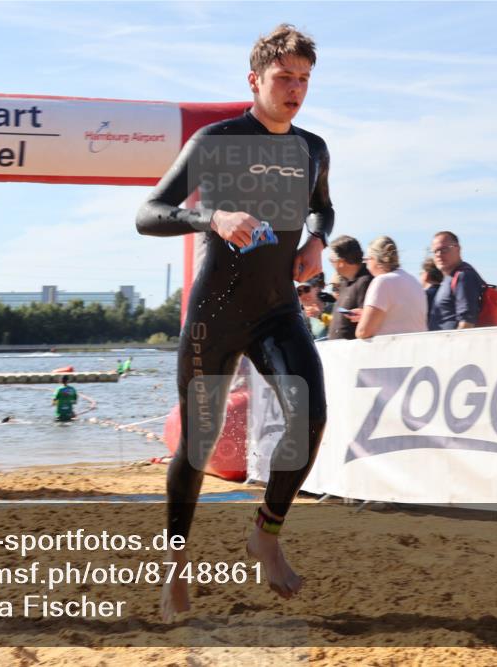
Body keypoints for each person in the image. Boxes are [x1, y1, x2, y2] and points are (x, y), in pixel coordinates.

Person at [135, 24, 332, 619]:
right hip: (215, 315)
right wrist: (211, 218)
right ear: (255, 81)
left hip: (277, 309)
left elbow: (323, 205)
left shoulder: (313, 148)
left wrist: (318, 241)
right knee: (196, 446)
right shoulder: (215, 143)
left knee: (312, 415)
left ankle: (265, 533)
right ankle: (174, 567)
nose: (295, 89)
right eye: (284, 78)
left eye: (303, 79)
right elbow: (148, 214)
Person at [348, 236, 427, 337]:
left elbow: (363, 332)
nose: (366, 264)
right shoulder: (414, 282)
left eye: (367, 259)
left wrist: (364, 321)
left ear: (375, 259)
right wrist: (366, 315)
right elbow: (400, 317)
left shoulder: (382, 282)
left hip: (392, 349)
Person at [428, 231, 484, 330]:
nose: (439, 255)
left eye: (444, 249)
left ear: (458, 249)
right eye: (435, 251)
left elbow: (467, 321)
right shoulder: (450, 278)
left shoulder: (464, 276)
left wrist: (456, 345)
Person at [326, 235, 372, 339]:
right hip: (339, 351)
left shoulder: (365, 282)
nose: (331, 264)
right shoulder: (344, 282)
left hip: (354, 352)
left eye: (331, 260)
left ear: (342, 261)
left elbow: (368, 323)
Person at [298, 274, 332, 339]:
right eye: (299, 292)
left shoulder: (333, 306)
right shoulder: (300, 317)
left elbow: (341, 325)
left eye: (306, 289)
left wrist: (320, 316)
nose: (303, 294)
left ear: (316, 289)